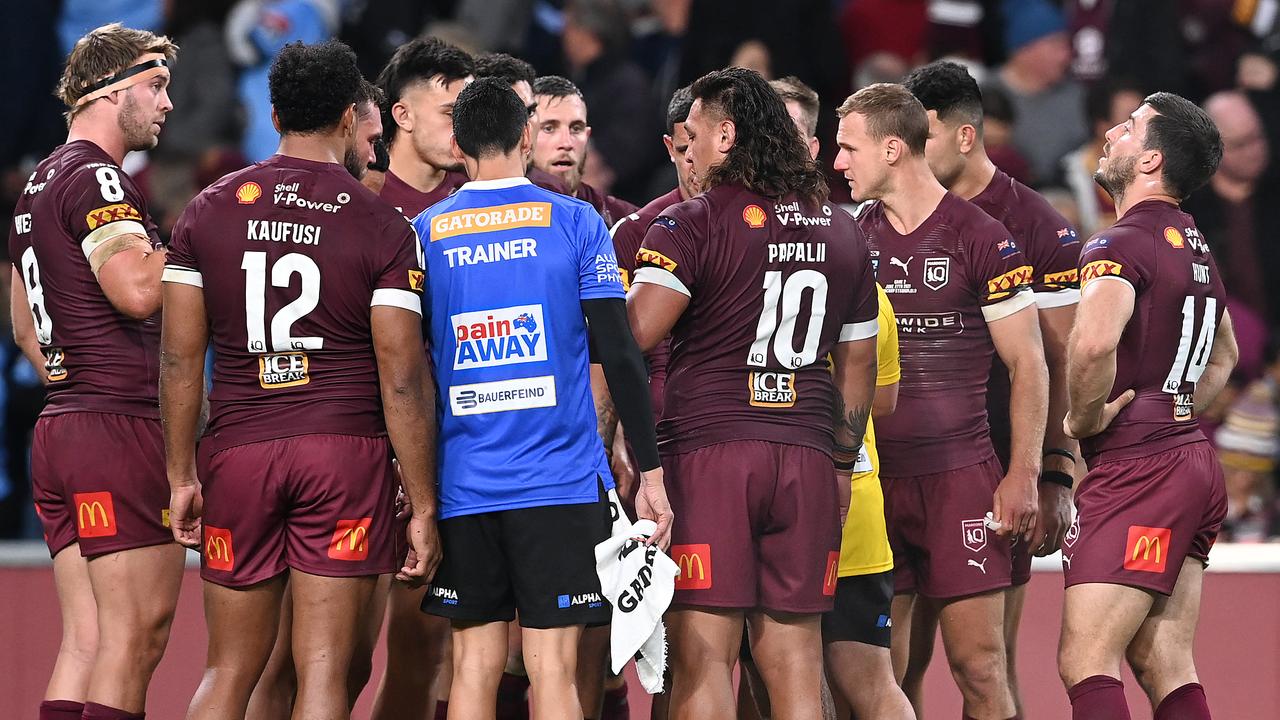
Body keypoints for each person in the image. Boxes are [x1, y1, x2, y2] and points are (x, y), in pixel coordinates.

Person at [161, 40, 439, 720]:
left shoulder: (208, 209)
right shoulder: (381, 224)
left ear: (275, 111)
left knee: (228, 669)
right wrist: (426, 503)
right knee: (323, 674)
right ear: (351, 117)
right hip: (341, 454)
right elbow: (401, 379)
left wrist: (180, 475)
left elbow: (177, 361)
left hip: (240, 454)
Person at [413, 77, 672, 720]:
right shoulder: (578, 221)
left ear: (456, 141)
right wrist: (652, 470)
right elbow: (619, 351)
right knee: (551, 667)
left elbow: (409, 363)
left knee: (472, 665)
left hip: (465, 483)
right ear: (526, 136)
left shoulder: (425, 230)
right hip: (558, 483)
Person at [627, 66, 880, 720]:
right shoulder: (844, 229)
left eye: (698, 133)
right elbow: (857, 365)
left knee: (704, 659)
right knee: (795, 665)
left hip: (712, 456)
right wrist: (845, 465)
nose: (690, 148)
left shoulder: (691, 224)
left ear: (729, 134)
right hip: (808, 458)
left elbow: (631, 337)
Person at [834, 82, 1049, 720]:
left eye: (848, 148)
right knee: (877, 677)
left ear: (893, 148)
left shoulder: (981, 237)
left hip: (961, 480)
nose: (837, 162)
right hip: (874, 483)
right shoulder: (848, 239)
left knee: (980, 668)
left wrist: (1026, 474)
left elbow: (1029, 362)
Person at [7, 23, 180, 720]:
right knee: (134, 636)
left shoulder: (36, 183)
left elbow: (23, 324)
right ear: (111, 91)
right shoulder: (98, 175)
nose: (168, 103)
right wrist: (193, 235)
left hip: (63, 427)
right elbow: (137, 290)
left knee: (86, 640)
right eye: (156, 85)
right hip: (118, 423)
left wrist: (75, 382)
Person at [900, 59, 1082, 717]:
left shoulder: (1037, 225)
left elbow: (1061, 361)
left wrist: (1056, 474)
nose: (908, 155)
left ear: (965, 136)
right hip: (894, 470)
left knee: (988, 665)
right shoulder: (884, 213)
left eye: (922, 137)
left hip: (995, 471)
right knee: (891, 668)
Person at [1059, 92, 1234, 720]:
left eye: (1129, 128)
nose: (1111, 132)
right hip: (1190, 461)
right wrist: (1176, 411)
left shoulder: (1118, 244)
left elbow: (1096, 344)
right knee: (1164, 660)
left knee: (1086, 659)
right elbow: (1225, 357)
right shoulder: (1195, 246)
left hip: (1140, 470)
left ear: (1151, 159)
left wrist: (1084, 419)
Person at [377, 36, 474, 220]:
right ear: (403, 116)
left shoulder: (476, 193)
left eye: (471, 113)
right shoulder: (362, 193)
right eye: (451, 114)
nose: (467, 127)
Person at [530, 75, 638, 227]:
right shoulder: (496, 218)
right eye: (549, 128)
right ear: (525, 137)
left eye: (576, 129)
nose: (566, 143)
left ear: (587, 137)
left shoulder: (626, 222)